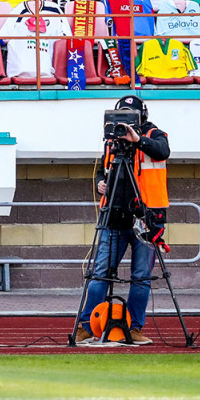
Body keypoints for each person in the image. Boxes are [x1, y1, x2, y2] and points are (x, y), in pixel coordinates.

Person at [75, 95, 170, 346]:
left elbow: (163, 151)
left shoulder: (155, 134)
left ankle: (135, 328)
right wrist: (100, 184)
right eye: (122, 114)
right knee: (100, 273)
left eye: (131, 115)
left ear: (142, 116)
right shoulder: (112, 140)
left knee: (141, 275)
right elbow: (100, 171)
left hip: (147, 218)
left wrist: (138, 140)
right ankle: (87, 326)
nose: (125, 121)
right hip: (114, 215)